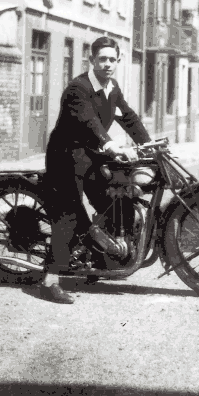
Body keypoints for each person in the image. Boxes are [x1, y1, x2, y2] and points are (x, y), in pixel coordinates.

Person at [41, 36, 150, 304]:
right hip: (65, 156)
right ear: (92, 60)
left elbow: (129, 118)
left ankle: (98, 254)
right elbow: (89, 121)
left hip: (90, 155)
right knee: (68, 214)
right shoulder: (78, 88)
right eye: (102, 59)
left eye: (112, 59)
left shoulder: (112, 88)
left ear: (118, 61)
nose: (108, 64)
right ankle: (50, 279)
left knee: (112, 199)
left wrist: (149, 144)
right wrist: (109, 143)